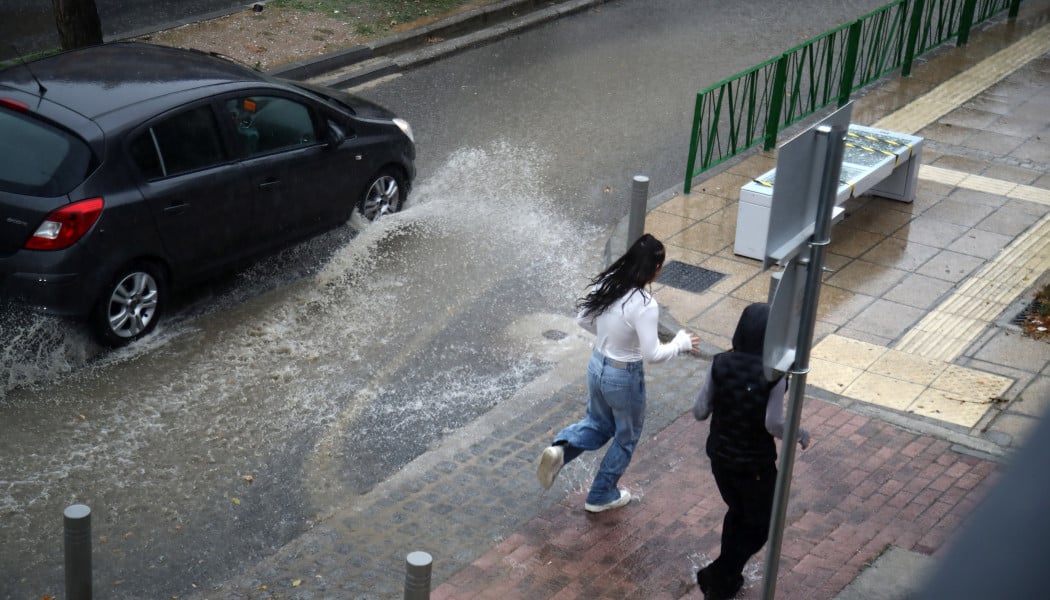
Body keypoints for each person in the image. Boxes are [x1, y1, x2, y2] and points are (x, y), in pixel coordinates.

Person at [536, 233, 700, 513]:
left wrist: (610, 337)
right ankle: (600, 495)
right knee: (626, 436)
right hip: (624, 377)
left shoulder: (608, 283)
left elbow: (583, 319)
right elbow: (652, 355)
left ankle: (561, 449)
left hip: (597, 364)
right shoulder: (645, 304)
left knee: (599, 424)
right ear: (654, 269)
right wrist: (680, 344)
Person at [692, 302, 810, 599]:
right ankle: (718, 576)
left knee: (738, 512)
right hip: (755, 464)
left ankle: (726, 579)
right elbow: (773, 424)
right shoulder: (774, 375)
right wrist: (797, 433)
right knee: (762, 524)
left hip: (720, 456)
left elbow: (699, 411)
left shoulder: (719, 362)